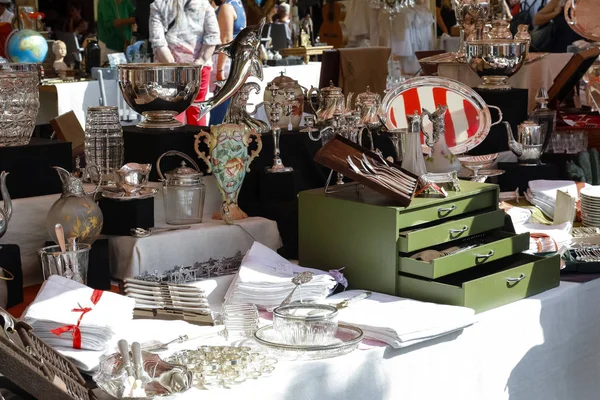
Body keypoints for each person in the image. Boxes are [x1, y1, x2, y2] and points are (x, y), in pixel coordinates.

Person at [149, 0, 220, 126]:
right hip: (199, 67)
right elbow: (212, 36)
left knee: (172, 111)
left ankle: (175, 144)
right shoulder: (204, 4)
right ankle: (199, 144)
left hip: (168, 69)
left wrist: (173, 65)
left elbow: (158, 41)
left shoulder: (158, 5)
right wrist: (199, 62)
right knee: (197, 110)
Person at [208, 0, 246, 125]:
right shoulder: (238, 5)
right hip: (236, 62)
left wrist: (220, 69)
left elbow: (226, 39)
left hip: (227, 64)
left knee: (221, 109)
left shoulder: (226, 7)